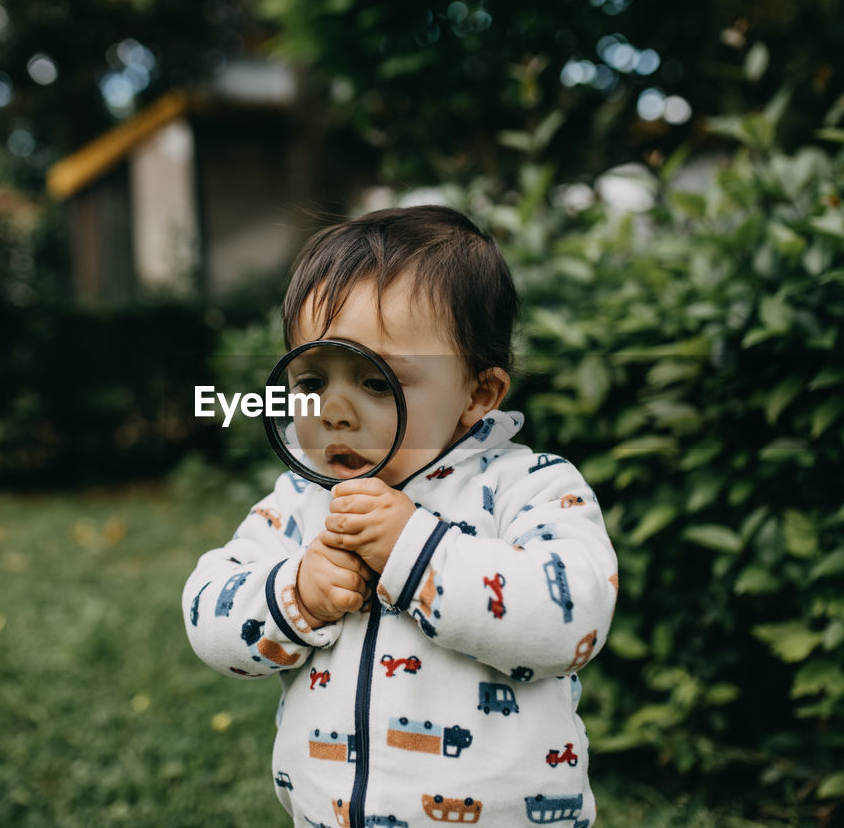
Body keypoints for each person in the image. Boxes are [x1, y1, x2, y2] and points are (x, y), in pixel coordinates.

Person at [183, 205, 618, 828]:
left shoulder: (530, 488)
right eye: (311, 380)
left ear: (478, 393)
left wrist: (417, 551)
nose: (333, 410)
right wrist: (296, 593)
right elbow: (208, 611)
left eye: (379, 382)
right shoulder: (300, 501)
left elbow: (574, 617)